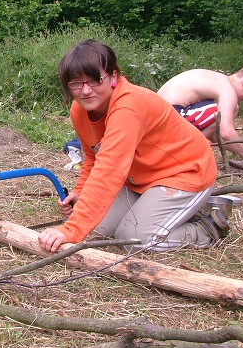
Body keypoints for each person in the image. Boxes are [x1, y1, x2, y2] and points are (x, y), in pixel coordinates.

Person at [38, 39, 227, 254]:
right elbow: (92, 156)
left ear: (114, 77)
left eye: (95, 80)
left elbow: (109, 171)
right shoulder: (79, 110)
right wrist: (79, 192)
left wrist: (71, 229)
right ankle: (164, 211)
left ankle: (205, 228)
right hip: (140, 179)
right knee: (96, 230)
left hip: (185, 173)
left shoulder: (128, 108)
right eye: (76, 83)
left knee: (132, 239)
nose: (86, 91)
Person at [157, 67, 243, 165]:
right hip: (169, 117)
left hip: (157, 117)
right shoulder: (228, 90)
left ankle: (188, 147)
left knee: (219, 116)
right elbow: (226, 132)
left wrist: (238, 149)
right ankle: (185, 149)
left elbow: (215, 133)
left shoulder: (217, 79)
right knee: (231, 109)